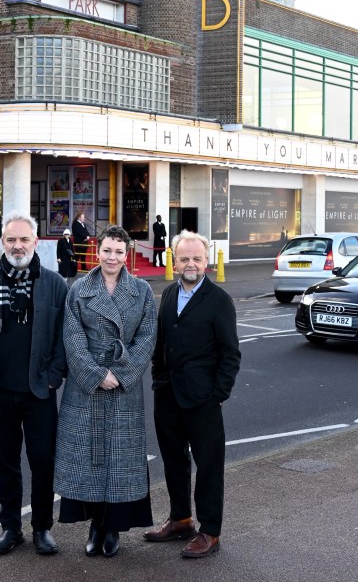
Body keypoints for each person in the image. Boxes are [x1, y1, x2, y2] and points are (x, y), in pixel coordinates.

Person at [0, 211, 68, 557]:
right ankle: (11, 527)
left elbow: (63, 340)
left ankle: (42, 528)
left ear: (35, 242)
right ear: (3, 243)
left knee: (42, 460)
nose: (18, 246)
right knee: (5, 461)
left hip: (38, 392)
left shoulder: (54, 284)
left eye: (24, 239)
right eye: (11, 240)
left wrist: (54, 377)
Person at [54, 225, 157, 559]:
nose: (112, 257)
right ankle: (95, 525)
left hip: (124, 386)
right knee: (89, 459)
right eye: (107, 250)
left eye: (118, 251)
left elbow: (147, 338)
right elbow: (72, 339)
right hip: (87, 389)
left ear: (126, 253)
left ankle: (113, 529)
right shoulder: (78, 289)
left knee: (119, 460)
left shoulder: (141, 290)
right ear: (97, 251)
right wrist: (96, 374)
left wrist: (121, 373)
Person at [144, 229, 240, 559]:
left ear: (207, 260)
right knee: (174, 462)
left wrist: (217, 394)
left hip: (203, 401)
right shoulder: (169, 294)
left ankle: (210, 531)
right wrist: (158, 379)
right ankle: (181, 519)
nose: (190, 263)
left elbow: (231, 354)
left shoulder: (219, 301)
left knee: (209, 466)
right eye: (184, 258)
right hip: (168, 396)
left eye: (197, 258)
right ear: (175, 259)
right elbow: (160, 344)